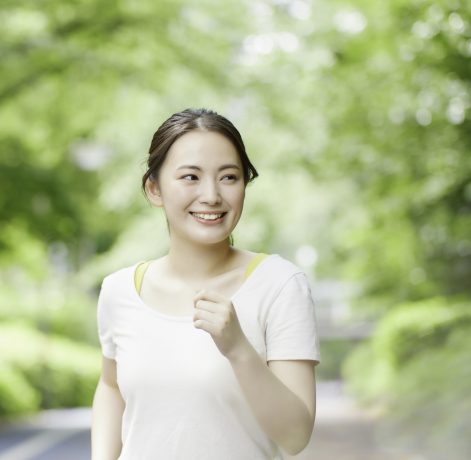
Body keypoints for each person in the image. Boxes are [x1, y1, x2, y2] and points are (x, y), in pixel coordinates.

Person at [90, 108, 320, 460]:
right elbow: (110, 387)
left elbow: (296, 436)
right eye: (190, 177)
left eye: (229, 177)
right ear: (155, 189)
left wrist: (238, 348)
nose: (212, 195)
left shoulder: (279, 284)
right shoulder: (120, 290)